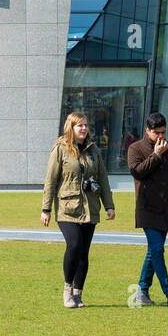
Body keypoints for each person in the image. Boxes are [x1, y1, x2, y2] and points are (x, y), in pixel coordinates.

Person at [41, 113, 115, 308]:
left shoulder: (93, 150)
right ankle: (67, 289)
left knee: (84, 252)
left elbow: (103, 180)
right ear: (70, 128)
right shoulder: (60, 149)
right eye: (79, 125)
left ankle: (78, 292)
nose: (83, 128)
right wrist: (46, 208)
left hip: (90, 207)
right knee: (74, 245)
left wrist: (109, 205)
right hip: (67, 208)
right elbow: (51, 180)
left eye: (85, 125)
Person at [127, 112, 168, 306]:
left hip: (166, 208)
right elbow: (137, 171)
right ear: (147, 131)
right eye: (156, 133)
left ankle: (142, 291)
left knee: (154, 251)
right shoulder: (135, 148)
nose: (161, 137)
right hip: (146, 207)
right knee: (157, 249)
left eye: (163, 132)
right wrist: (157, 155)